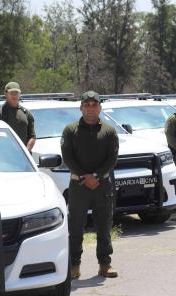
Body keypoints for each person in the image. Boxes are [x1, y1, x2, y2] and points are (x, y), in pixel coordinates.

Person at [61, 91, 119, 279]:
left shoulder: (109, 131)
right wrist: (85, 177)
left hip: (102, 186)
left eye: (95, 105)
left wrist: (96, 176)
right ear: (81, 107)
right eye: (87, 105)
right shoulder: (70, 130)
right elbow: (68, 157)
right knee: (76, 228)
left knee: (104, 226)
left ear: (100, 108)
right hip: (79, 187)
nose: (91, 108)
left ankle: (105, 264)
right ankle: (74, 266)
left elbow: (112, 158)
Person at [0, 82, 36, 152]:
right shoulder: (1, 112)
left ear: (19, 94)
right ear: (6, 94)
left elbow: (32, 137)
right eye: (11, 93)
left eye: (16, 93)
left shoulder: (26, 113)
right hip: (6, 155)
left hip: (24, 156)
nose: (14, 96)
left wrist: (25, 152)